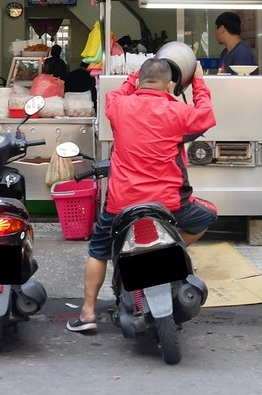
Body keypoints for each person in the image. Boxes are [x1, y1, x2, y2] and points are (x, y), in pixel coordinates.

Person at [67, 47, 217, 333]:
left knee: (99, 250)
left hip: (121, 204)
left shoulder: (117, 105)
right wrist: (198, 81)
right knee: (207, 216)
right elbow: (206, 115)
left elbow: (118, 93)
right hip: (169, 204)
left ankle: (87, 313)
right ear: (171, 85)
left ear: (138, 80)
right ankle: (171, 252)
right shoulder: (178, 111)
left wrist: (133, 77)